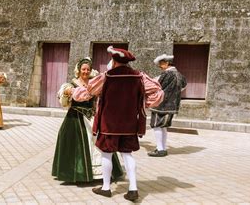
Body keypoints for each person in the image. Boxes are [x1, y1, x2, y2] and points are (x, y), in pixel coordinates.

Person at [72, 46, 145, 202]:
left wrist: (71, 93)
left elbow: (87, 92)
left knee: (107, 154)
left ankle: (106, 188)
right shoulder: (139, 77)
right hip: (129, 125)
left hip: (109, 124)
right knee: (127, 154)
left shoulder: (106, 77)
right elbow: (157, 94)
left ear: (114, 60)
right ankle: (133, 189)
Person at [52, 57, 124, 183]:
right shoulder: (71, 84)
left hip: (92, 118)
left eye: (88, 69)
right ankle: (76, 173)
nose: (85, 71)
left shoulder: (94, 84)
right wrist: (69, 92)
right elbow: (63, 94)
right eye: (83, 69)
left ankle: (102, 173)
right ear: (79, 70)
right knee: (74, 143)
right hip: (75, 118)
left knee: (99, 143)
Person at [148, 54, 187, 157]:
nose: (160, 66)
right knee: (163, 126)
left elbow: (155, 86)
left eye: (161, 64)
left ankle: (160, 149)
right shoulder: (179, 75)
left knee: (156, 125)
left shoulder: (167, 74)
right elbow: (183, 86)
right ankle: (163, 148)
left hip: (161, 104)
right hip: (173, 105)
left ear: (166, 63)